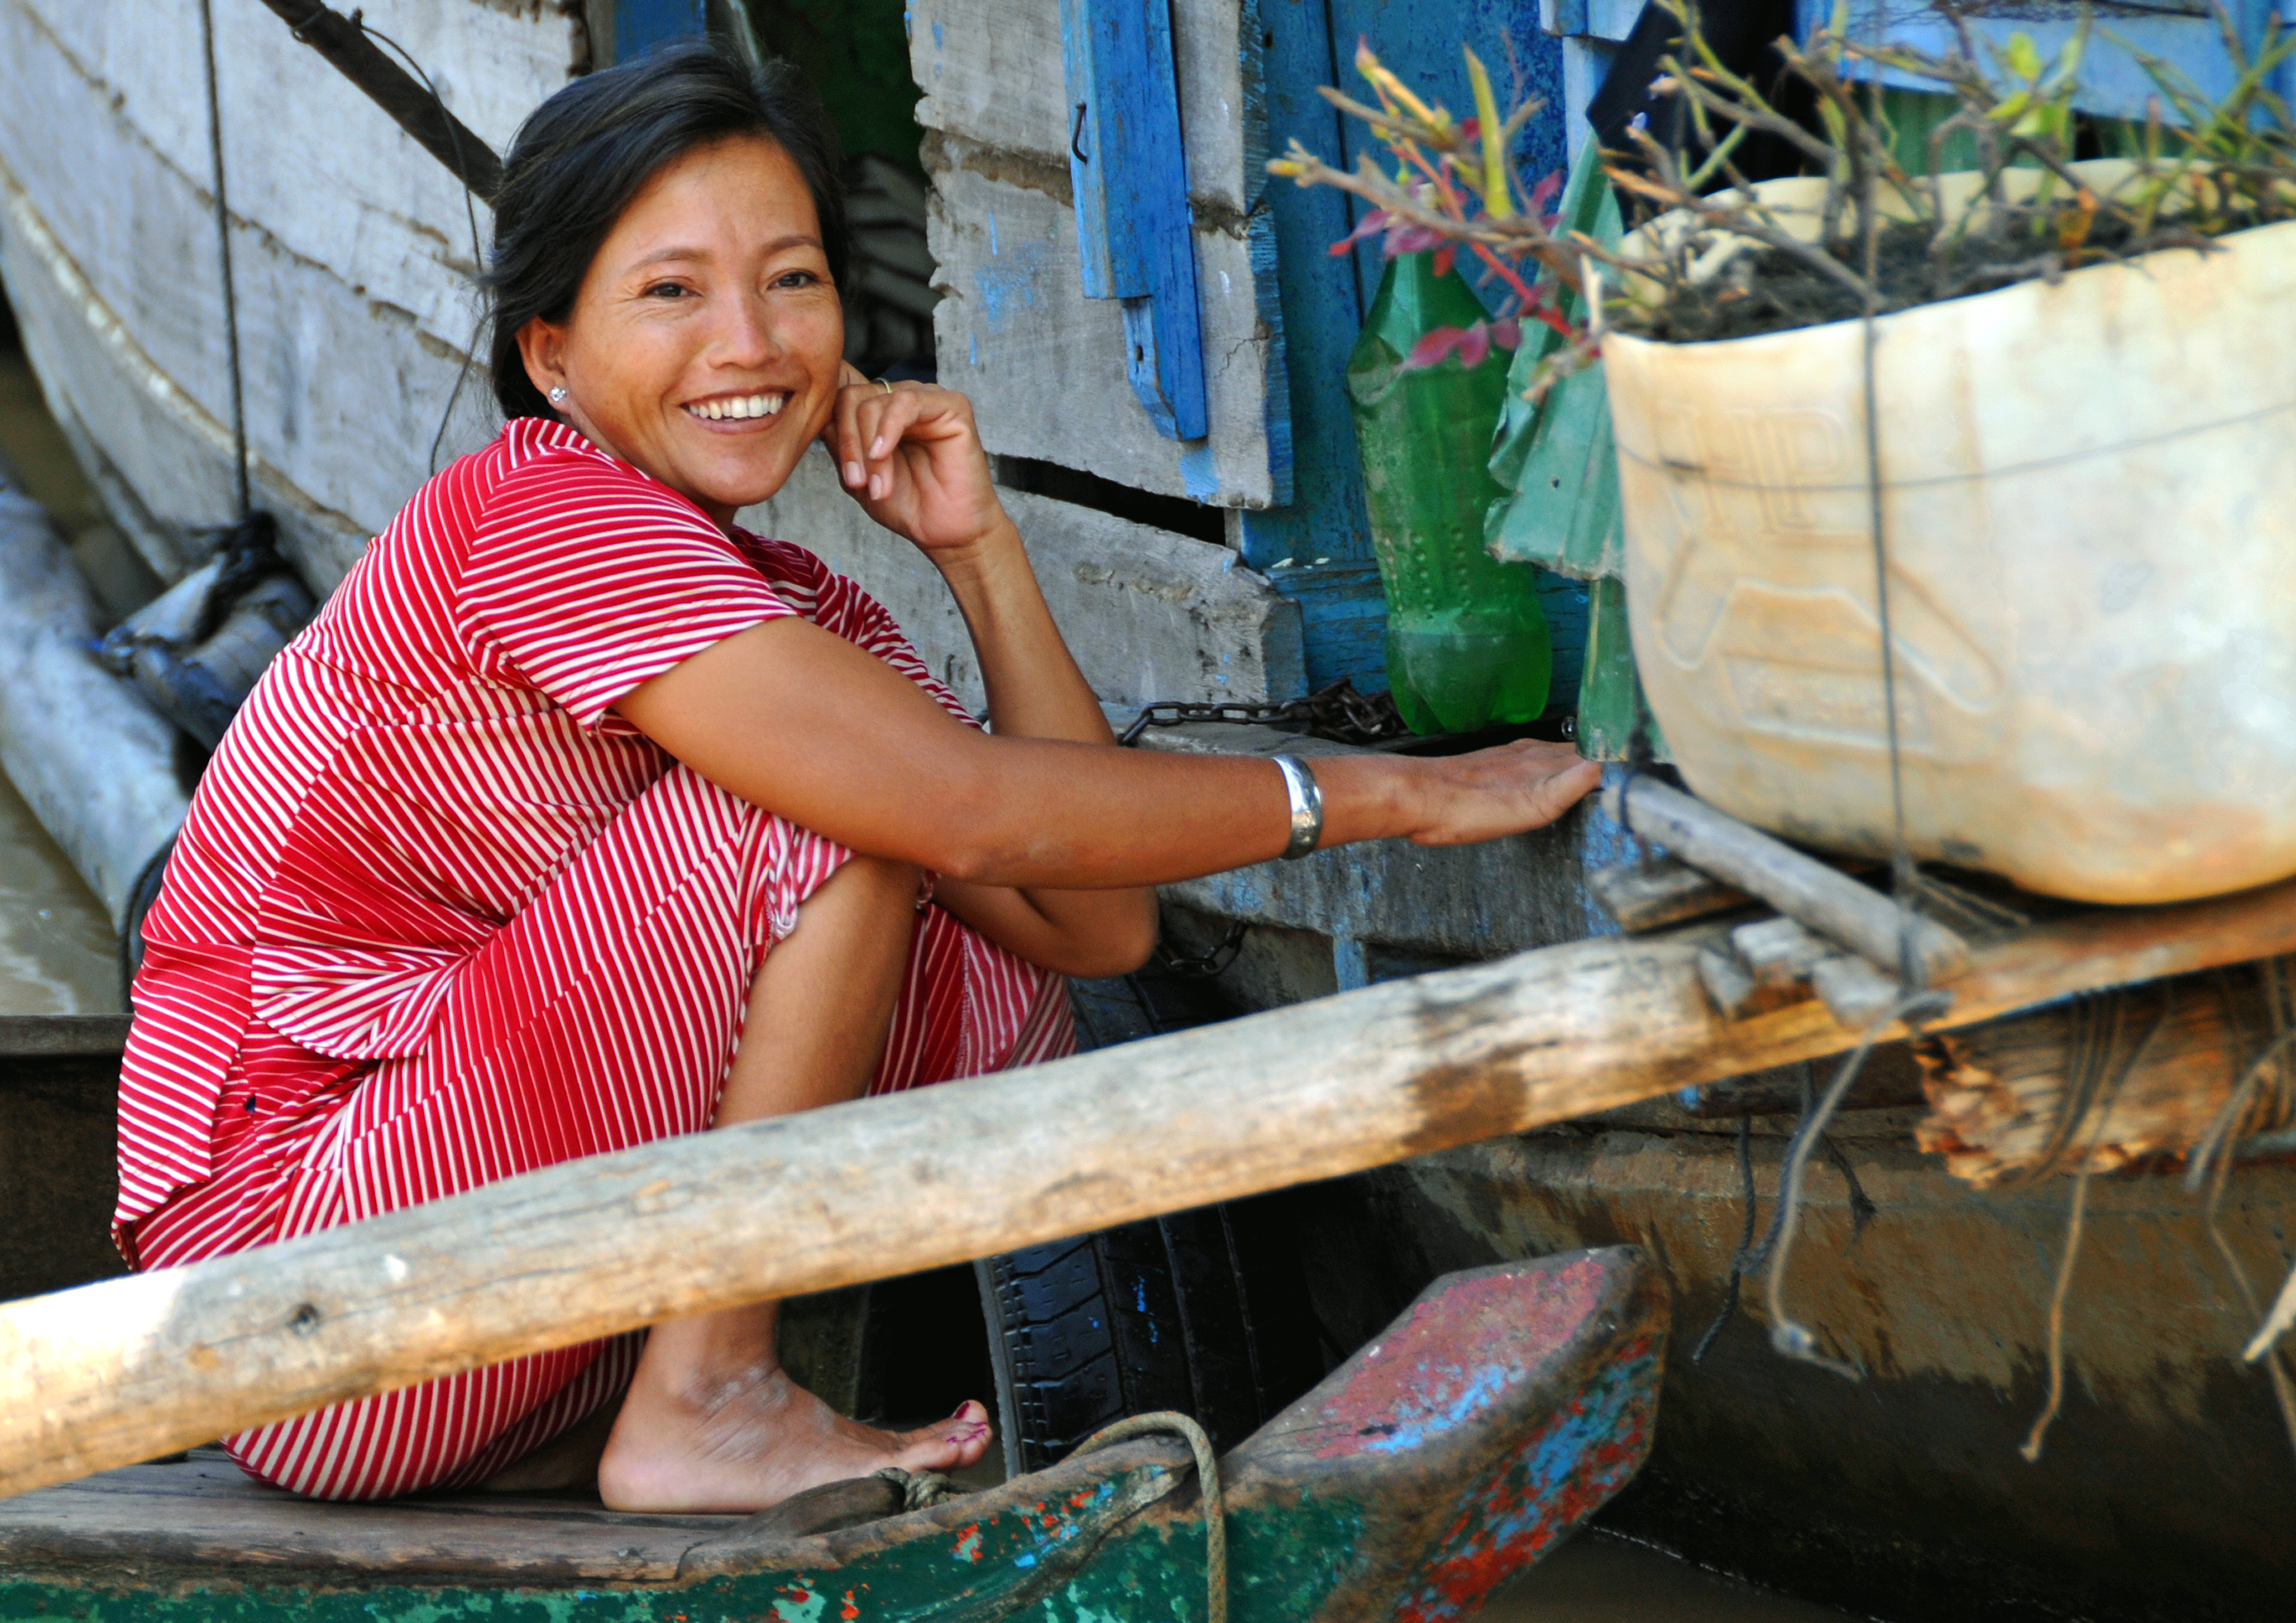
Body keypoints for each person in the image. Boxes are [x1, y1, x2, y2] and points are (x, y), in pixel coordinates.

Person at [112, 42, 1601, 1515]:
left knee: (981, 957)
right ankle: (705, 1395)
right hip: (293, 1302)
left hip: (478, 1307)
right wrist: (1391, 797)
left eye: (794, 278)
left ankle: (644, 1404)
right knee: (830, 824)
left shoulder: (796, 609)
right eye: (673, 291)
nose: (751, 343)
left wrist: (980, 552)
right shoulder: (536, 511)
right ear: (550, 353)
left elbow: (1095, 933)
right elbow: (962, 805)